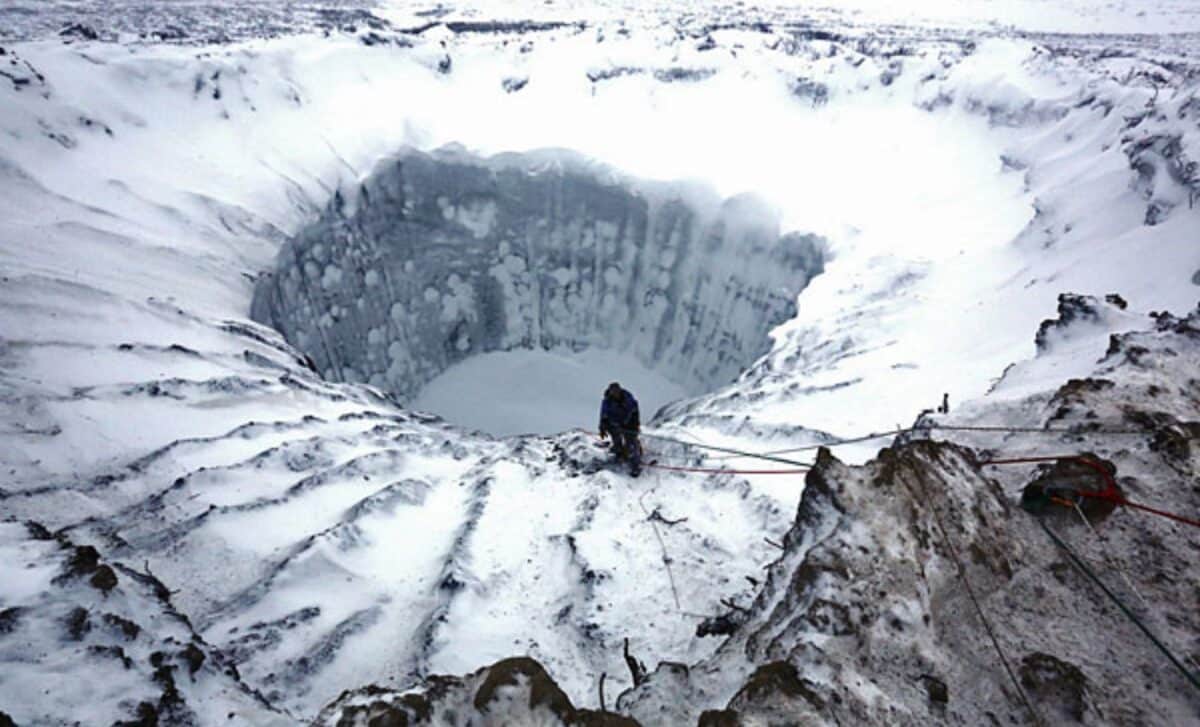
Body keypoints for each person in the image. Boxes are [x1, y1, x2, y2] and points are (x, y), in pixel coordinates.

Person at [599, 382, 641, 476]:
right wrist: (602, 427)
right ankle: (619, 453)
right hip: (615, 423)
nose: (615, 394)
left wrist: (635, 424)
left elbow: (634, 411)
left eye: (616, 392)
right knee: (616, 439)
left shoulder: (628, 398)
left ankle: (635, 464)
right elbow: (604, 415)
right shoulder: (607, 401)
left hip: (629, 422)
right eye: (613, 392)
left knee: (631, 442)